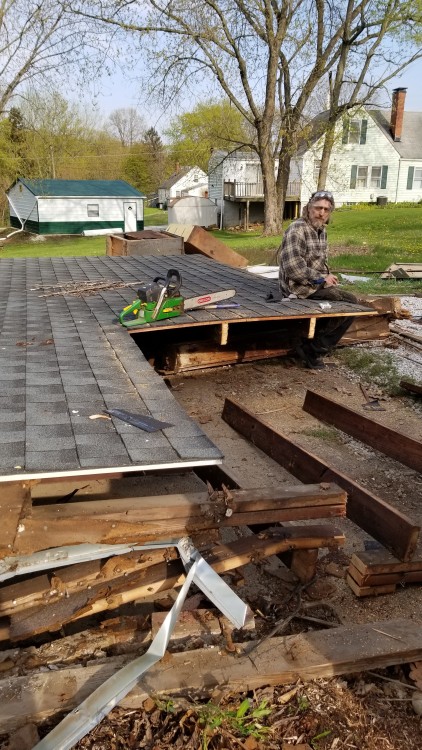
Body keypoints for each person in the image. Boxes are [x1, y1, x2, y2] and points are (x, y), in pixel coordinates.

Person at [279, 190, 358, 369]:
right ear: (308, 208)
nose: (321, 213)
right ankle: (313, 350)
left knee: (347, 300)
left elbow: (321, 262)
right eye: (318, 208)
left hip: (314, 284)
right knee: (351, 304)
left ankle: (311, 343)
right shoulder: (297, 230)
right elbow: (294, 270)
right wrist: (322, 279)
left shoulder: (321, 231)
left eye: (326, 209)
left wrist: (329, 278)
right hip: (298, 288)